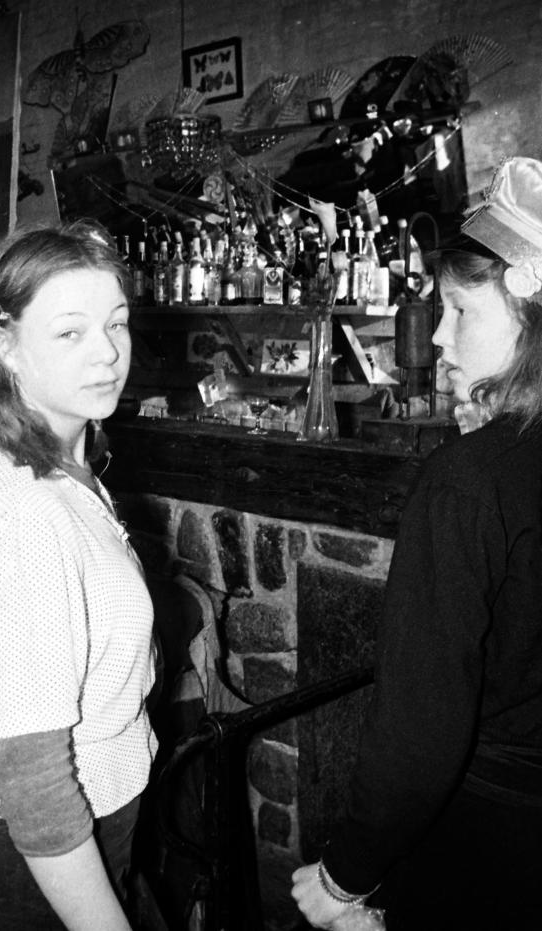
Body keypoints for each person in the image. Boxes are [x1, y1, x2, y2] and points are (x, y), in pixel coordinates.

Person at [291, 156, 542, 931]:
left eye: (459, 311)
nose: (435, 336)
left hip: (490, 843)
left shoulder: (465, 482)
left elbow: (420, 722)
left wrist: (343, 875)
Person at [0, 221, 156, 929]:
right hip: (33, 865)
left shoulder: (54, 460)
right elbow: (33, 783)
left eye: (115, 323)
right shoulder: (23, 514)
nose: (108, 352)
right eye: (70, 332)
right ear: (6, 345)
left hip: (81, 836)